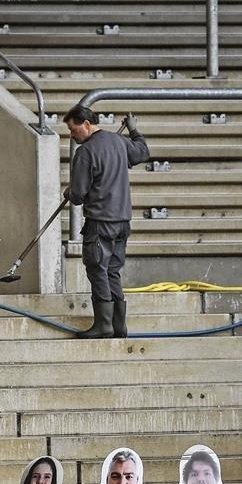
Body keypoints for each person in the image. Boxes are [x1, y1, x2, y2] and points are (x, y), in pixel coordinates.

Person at [62, 105, 149, 338]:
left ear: (87, 124)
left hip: (100, 222)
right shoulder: (118, 142)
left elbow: (79, 196)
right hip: (122, 221)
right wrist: (134, 130)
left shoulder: (85, 152)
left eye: (73, 129)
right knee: (112, 271)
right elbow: (142, 152)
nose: (71, 135)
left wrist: (70, 193)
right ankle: (119, 326)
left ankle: (103, 325)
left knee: (97, 269)